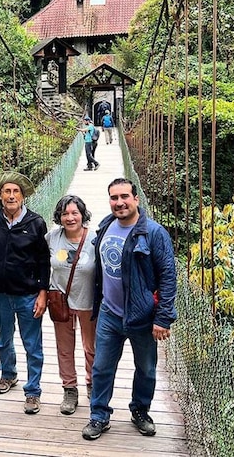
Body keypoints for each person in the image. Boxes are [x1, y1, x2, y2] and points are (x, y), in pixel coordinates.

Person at [82, 178, 177, 441]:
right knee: (101, 367)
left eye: (125, 196)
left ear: (136, 199)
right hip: (109, 314)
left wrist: (164, 318)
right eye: (114, 198)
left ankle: (140, 411)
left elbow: (168, 276)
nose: (119, 202)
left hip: (143, 316)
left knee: (146, 368)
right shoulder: (105, 226)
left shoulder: (154, 233)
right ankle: (99, 415)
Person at [0, 171, 51, 415]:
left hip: (28, 295)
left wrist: (43, 294)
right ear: (0, 195)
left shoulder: (36, 223)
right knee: (3, 339)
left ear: (23, 195)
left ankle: (33, 392)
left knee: (32, 345)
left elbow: (44, 261)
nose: (11, 195)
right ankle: (8, 375)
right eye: (7, 191)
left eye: (16, 191)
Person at [45, 195, 96, 415]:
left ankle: (93, 385)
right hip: (60, 300)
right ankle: (69, 389)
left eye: (74, 213)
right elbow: (37, 264)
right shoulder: (51, 238)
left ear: (83, 215)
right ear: (59, 217)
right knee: (64, 348)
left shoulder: (95, 239)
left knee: (91, 348)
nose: (70, 217)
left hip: (88, 300)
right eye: (65, 213)